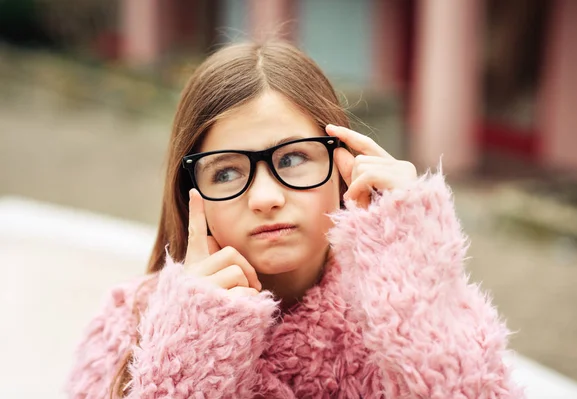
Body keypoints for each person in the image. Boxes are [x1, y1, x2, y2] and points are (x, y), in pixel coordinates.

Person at [66, 41, 523, 398]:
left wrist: (416, 273)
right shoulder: (132, 324)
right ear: (189, 195)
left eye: (292, 160)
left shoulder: (389, 313)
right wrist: (192, 346)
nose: (265, 198)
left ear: (344, 166)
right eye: (226, 171)